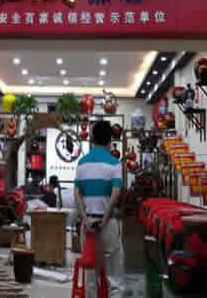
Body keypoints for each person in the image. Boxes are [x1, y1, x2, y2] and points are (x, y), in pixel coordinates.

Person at [74, 120, 124, 298]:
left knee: (90, 278)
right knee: (115, 279)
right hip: (108, 224)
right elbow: (115, 194)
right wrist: (104, 220)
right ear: (110, 140)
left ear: (92, 138)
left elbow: (77, 194)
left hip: (88, 226)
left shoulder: (82, 163)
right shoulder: (114, 163)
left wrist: (86, 219)